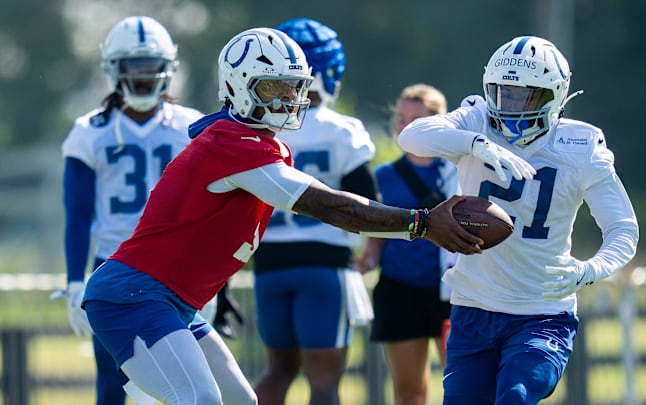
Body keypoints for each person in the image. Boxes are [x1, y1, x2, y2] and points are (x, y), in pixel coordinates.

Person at [78, 27, 514, 405]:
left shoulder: (249, 141)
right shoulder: (233, 144)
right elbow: (330, 205)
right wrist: (421, 223)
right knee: (200, 399)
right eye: (273, 89)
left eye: (293, 88)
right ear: (240, 86)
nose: (288, 99)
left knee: (240, 398)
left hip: (174, 302)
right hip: (133, 296)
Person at [397, 35, 640, 404]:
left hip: (541, 313)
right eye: (504, 93)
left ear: (555, 95)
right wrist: (474, 143)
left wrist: (588, 270)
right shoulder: (477, 117)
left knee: (515, 396)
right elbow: (411, 136)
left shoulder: (581, 146)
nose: (512, 105)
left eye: (528, 95)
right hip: (473, 306)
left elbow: (622, 228)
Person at [61, 15, 216, 405]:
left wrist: (217, 278)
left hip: (176, 270)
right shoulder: (89, 131)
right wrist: (75, 280)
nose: (143, 77)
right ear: (114, 70)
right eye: (133, 67)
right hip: (112, 266)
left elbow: (214, 207)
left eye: (151, 67)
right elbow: (77, 212)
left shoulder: (193, 126)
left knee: (187, 384)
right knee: (113, 382)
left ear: (169, 68)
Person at [251, 18, 377, 405]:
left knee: (278, 370)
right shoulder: (343, 130)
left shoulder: (260, 127)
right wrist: (372, 251)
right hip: (323, 264)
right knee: (324, 382)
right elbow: (366, 203)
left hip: (268, 262)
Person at [355, 83, 457, 405]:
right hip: (400, 289)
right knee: (410, 393)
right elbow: (375, 240)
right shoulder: (383, 175)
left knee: (463, 388)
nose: (404, 127)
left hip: (453, 293)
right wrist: (364, 262)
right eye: (400, 119)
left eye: (415, 119)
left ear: (436, 123)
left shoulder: (460, 170)